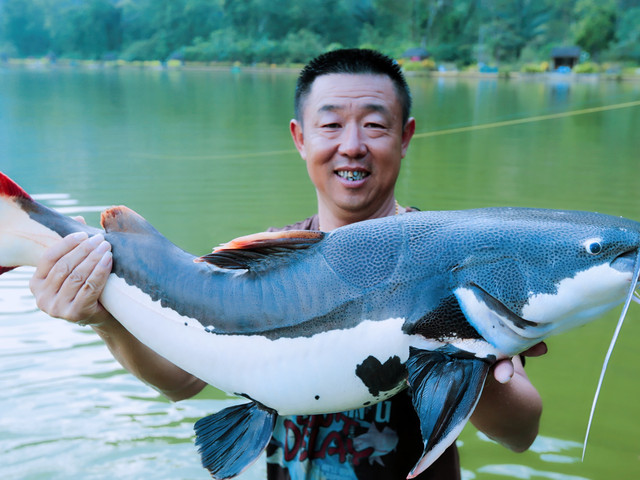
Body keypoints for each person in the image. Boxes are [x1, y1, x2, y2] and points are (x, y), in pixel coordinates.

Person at [30, 48, 544, 479]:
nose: (352, 146)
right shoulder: (264, 261)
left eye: (373, 125)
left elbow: (520, 433)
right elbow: (182, 381)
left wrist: (464, 347)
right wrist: (104, 320)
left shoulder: (453, 257)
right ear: (301, 138)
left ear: (405, 136)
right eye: (332, 125)